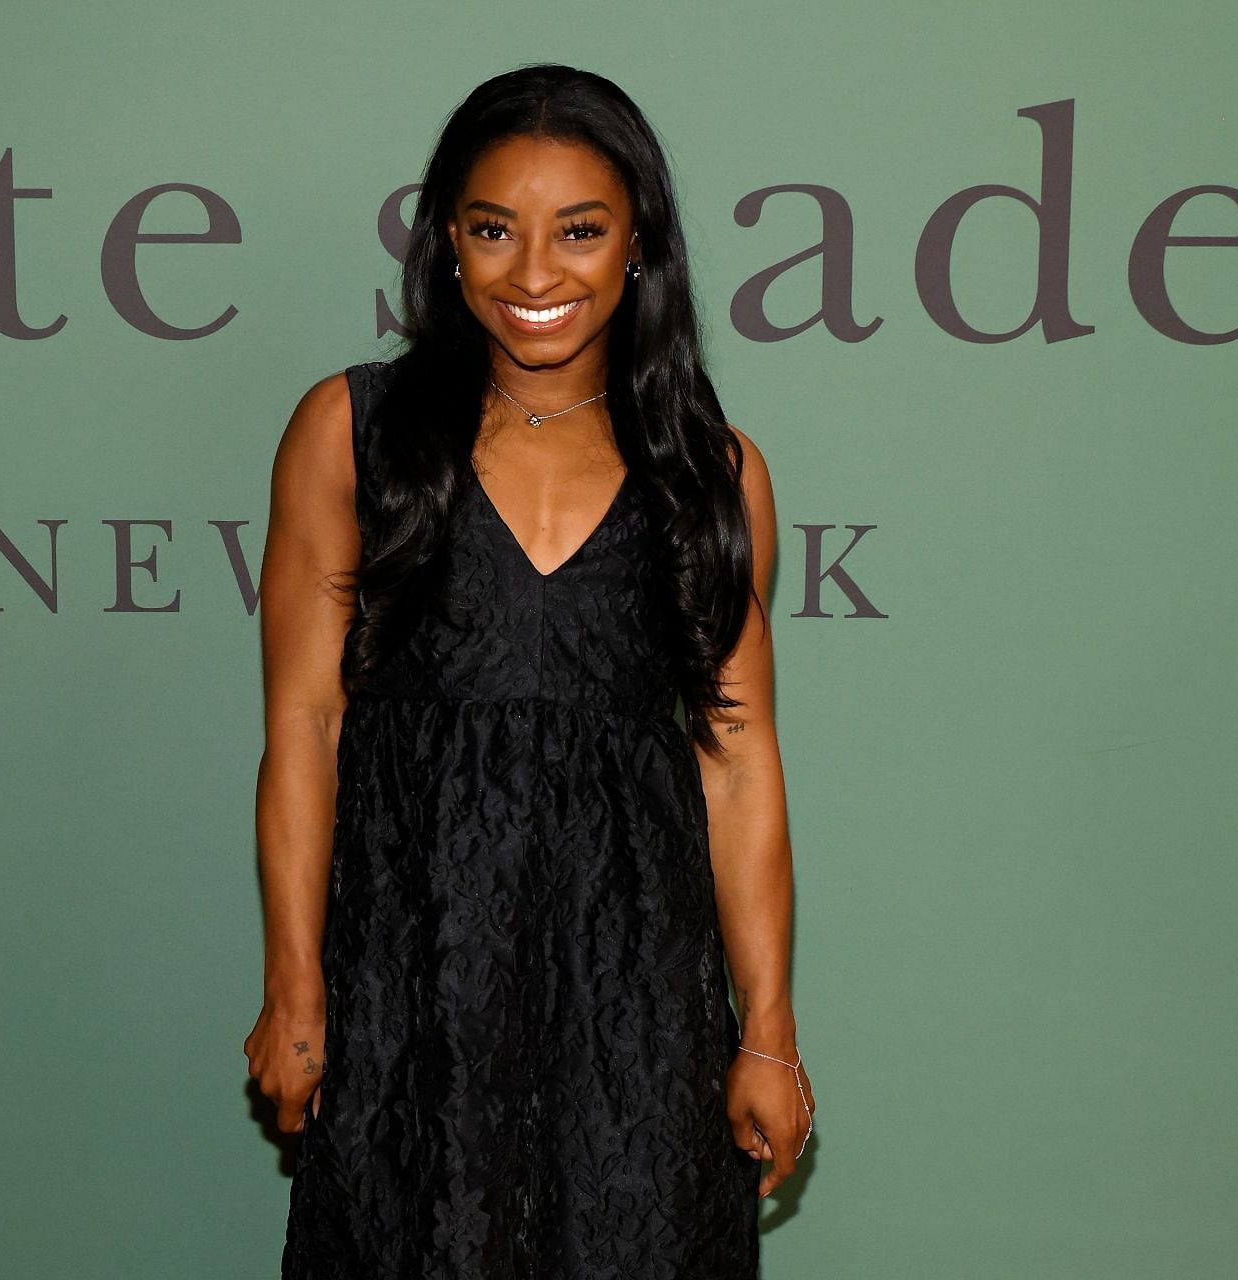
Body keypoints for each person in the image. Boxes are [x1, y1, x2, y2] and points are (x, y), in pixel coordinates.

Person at [244, 63, 812, 1278]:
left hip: (637, 998)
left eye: (581, 232)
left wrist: (767, 1029)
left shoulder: (711, 472)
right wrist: (296, 984)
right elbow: (304, 721)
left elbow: (741, 758)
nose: (537, 274)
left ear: (639, 248)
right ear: (447, 242)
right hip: (416, 976)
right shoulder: (352, 436)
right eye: (494, 229)